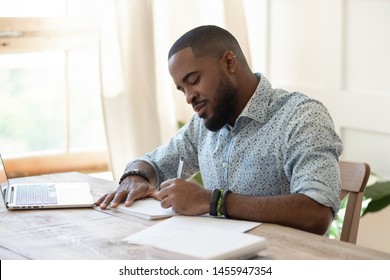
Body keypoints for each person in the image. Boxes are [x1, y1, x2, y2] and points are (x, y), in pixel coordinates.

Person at [96, 25, 343, 235]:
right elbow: (153, 163)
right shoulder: (202, 125)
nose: (189, 97)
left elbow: (317, 212)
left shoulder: (301, 116)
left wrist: (212, 201)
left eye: (193, 81)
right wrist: (134, 177)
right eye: (182, 89)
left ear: (229, 62)